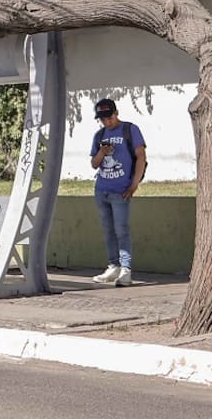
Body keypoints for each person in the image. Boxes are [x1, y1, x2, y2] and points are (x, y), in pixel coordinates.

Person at [88, 98, 147, 287]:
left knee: (122, 230)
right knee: (108, 230)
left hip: (121, 191)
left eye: (109, 117)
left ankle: (125, 269)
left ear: (116, 113)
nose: (107, 122)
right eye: (103, 119)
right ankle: (113, 266)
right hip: (102, 190)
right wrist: (102, 152)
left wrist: (134, 184)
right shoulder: (99, 135)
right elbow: (94, 164)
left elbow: (141, 157)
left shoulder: (130, 130)